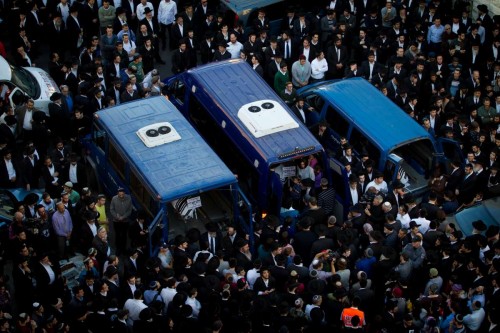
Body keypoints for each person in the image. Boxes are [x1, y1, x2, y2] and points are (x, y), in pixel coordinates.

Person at [110, 187, 133, 255]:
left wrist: (123, 217)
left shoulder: (128, 198)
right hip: (116, 221)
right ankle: (118, 248)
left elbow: (130, 210)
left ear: (124, 193)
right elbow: (112, 209)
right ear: (117, 194)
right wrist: (116, 216)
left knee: (124, 235)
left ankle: (123, 248)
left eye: (122, 195)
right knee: (117, 235)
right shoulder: (114, 199)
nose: (121, 196)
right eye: (120, 195)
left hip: (125, 221)